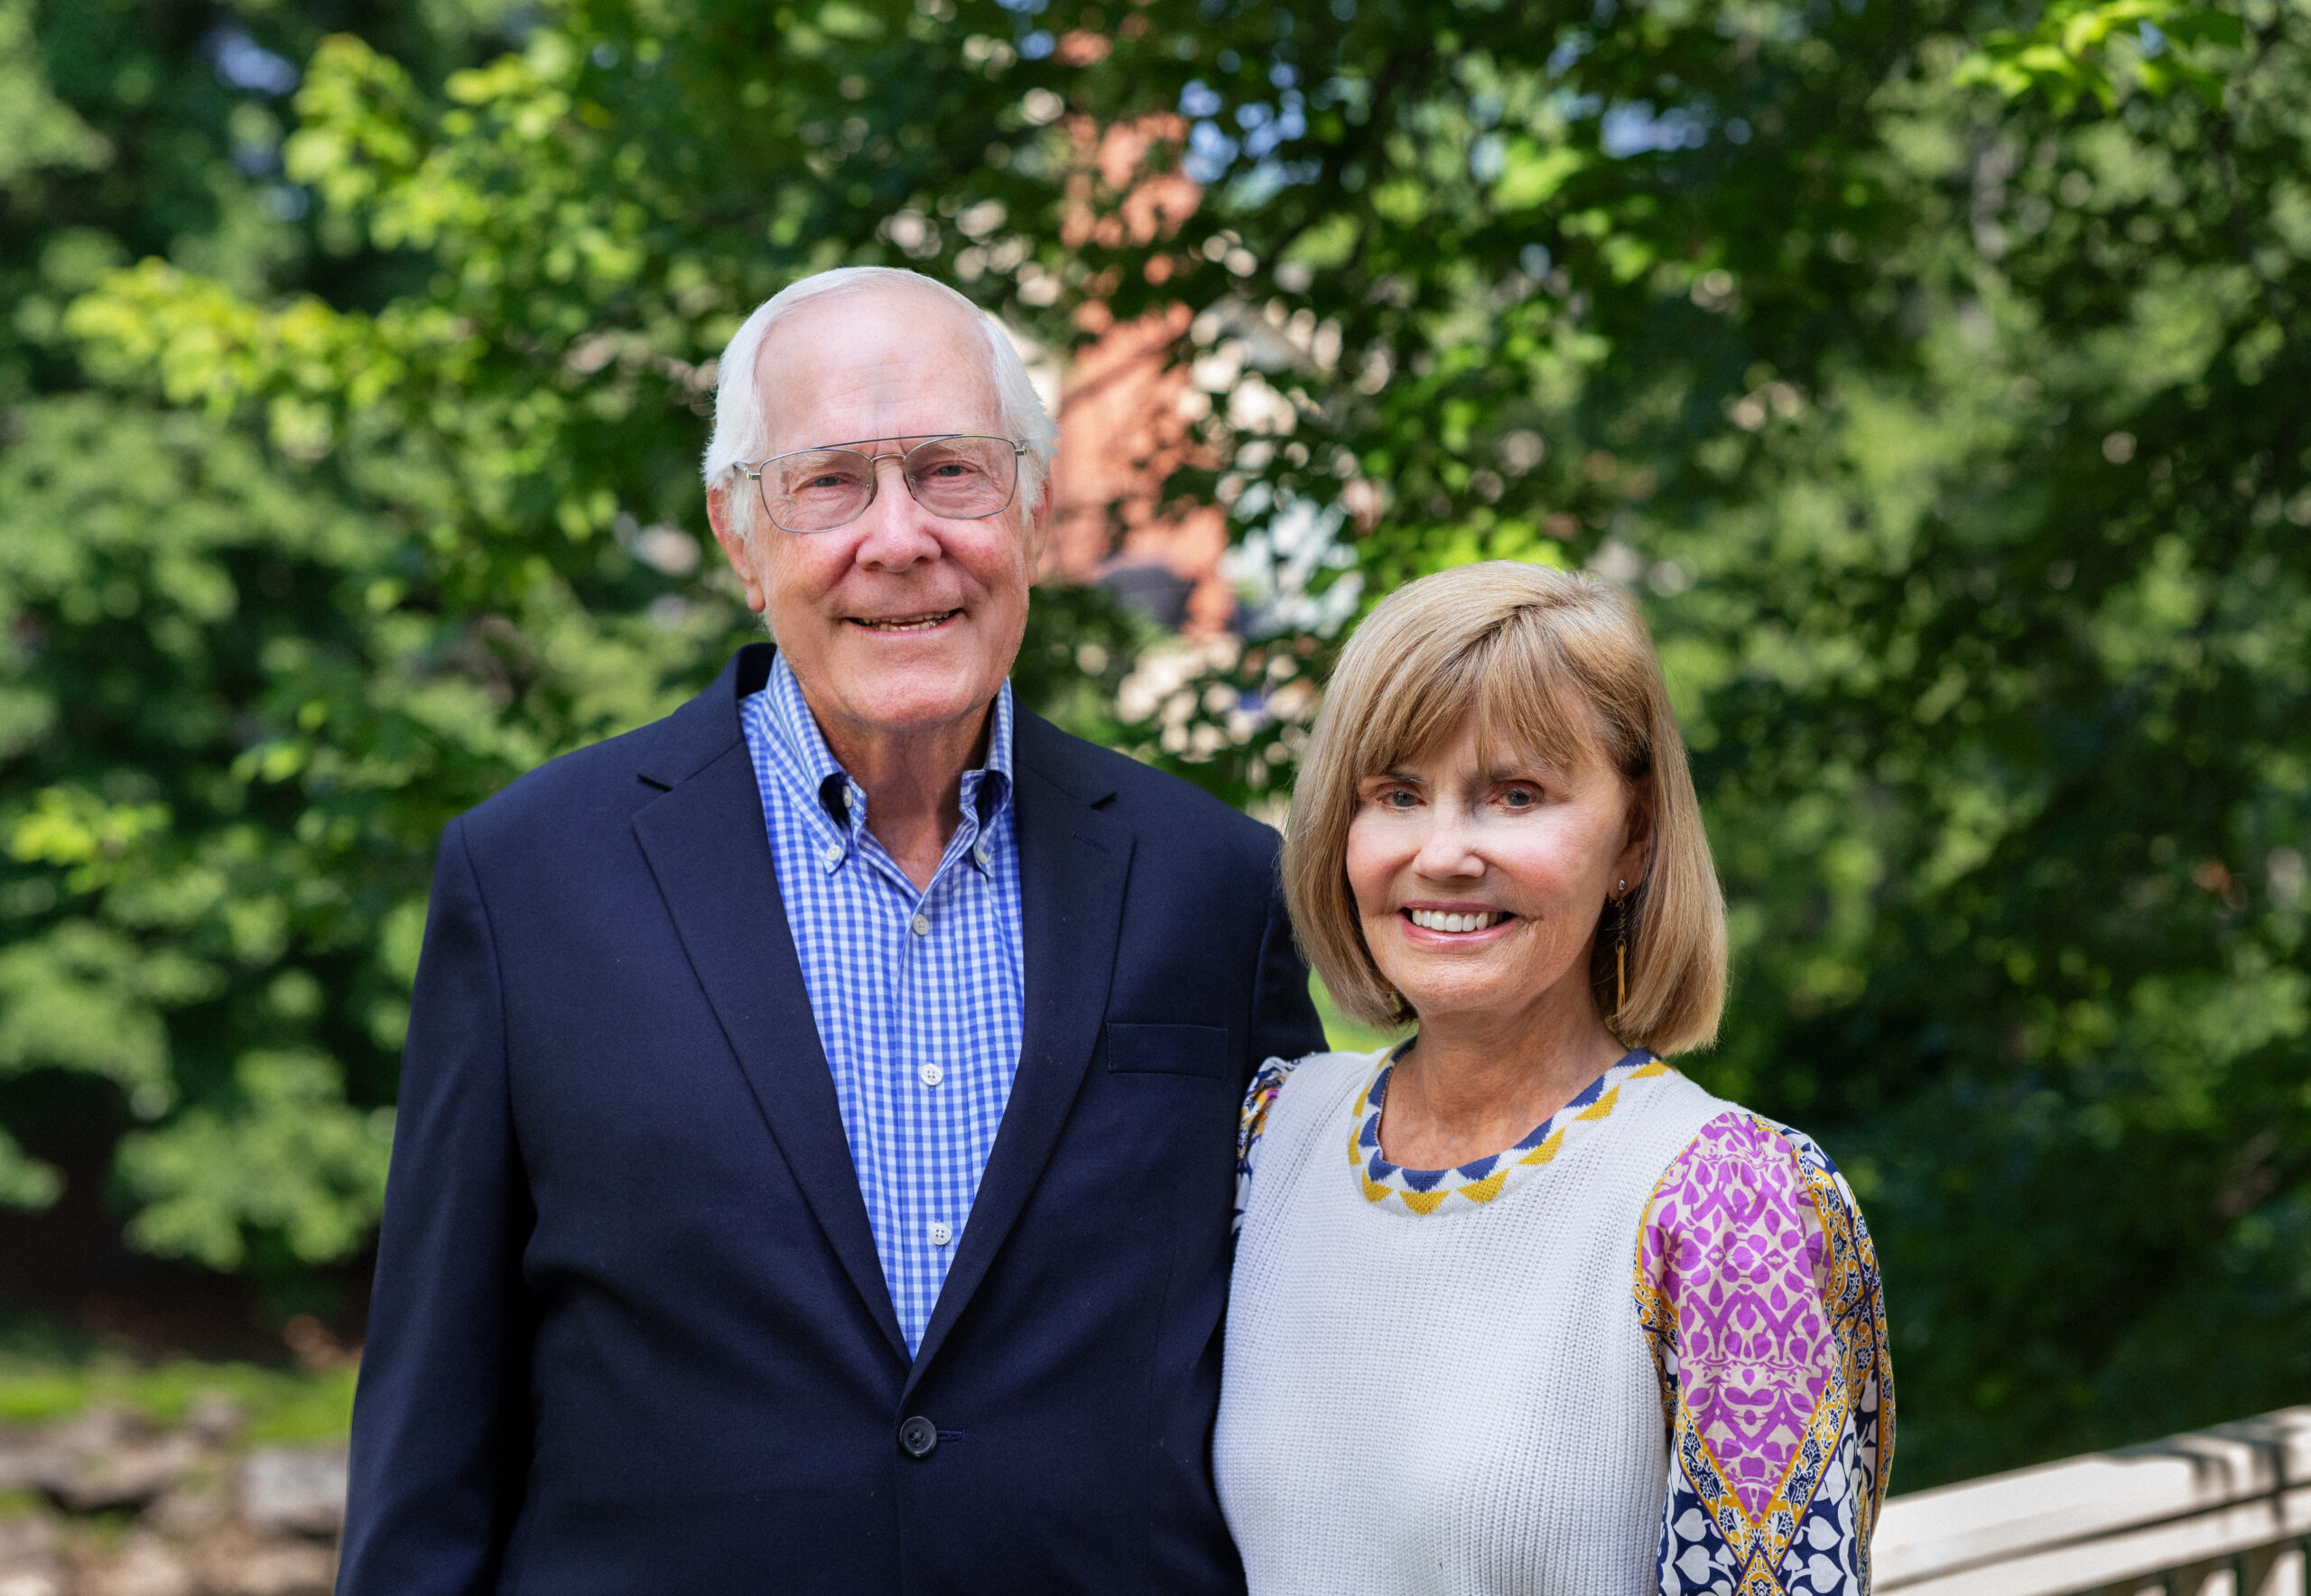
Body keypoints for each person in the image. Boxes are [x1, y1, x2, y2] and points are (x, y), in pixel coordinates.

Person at [337, 266, 1325, 1595]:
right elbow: (430, 1439)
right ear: (739, 538)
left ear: (1032, 510)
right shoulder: (530, 882)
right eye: (831, 483)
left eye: (950, 472)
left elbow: (1305, 1375)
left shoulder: (1212, 886)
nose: (901, 536)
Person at [1215, 561, 1893, 1596]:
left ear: (1634, 835)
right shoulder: (1269, 1137)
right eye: (1396, 793)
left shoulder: (1725, 1203)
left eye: (1514, 794)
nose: (1442, 852)